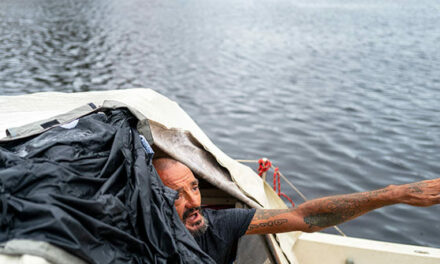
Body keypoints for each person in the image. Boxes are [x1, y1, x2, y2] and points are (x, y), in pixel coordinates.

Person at [153, 158, 440, 264]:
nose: (194, 202)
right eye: (178, 195)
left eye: (195, 187)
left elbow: (303, 218)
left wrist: (392, 195)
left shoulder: (219, 224)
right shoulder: (135, 236)